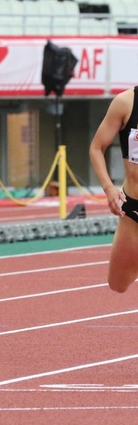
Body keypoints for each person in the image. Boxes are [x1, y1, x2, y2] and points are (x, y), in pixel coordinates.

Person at [89, 87, 138, 293]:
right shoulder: (126, 102)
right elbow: (96, 148)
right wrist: (108, 187)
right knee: (117, 283)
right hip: (132, 208)